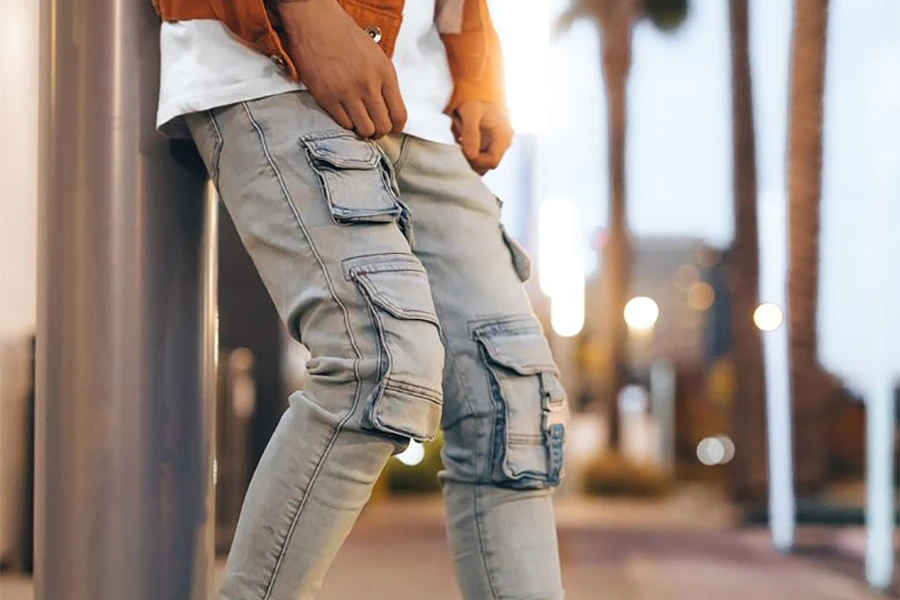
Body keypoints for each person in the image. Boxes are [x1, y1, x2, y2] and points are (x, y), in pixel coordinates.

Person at [153, 1, 568, 598]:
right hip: (275, 63)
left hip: (425, 106)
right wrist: (304, 14)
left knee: (512, 405)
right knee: (380, 362)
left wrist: (478, 73)